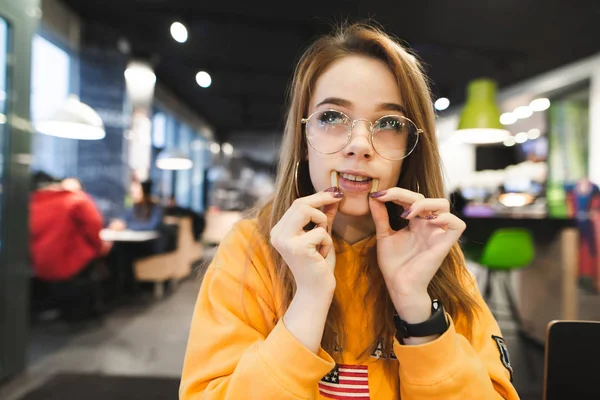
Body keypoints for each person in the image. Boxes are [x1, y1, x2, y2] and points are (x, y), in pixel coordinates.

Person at [180, 23, 519, 399]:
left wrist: (417, 308)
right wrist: (308, 300)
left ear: (411, 147)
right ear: (304, 139)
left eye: (389, 123)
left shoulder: (433, 253)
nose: (359, 145)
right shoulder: (251, 249)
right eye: (331, 117)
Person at [29, 172, 110, 320]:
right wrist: (100, 249)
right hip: (70, 262)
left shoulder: (32, 202)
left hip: (38, 263)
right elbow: (94, 227)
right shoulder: (78, 200)